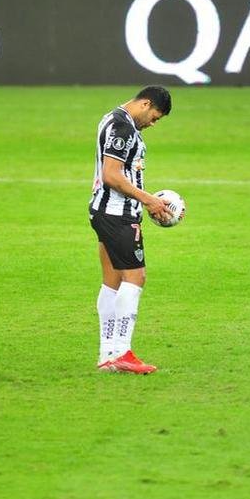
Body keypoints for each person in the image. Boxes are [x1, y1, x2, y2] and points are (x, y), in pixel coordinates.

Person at [89, 85, 173, 374]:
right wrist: (148, 199)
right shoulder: (123, 128)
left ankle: (108, 355)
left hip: (103, 211)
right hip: (118, 215)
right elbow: (112, 175)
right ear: (145, 103)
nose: (153, 123)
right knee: (135, 277)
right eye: (155, 117)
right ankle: (122, 351)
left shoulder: (111, 118)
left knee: (111, 281)